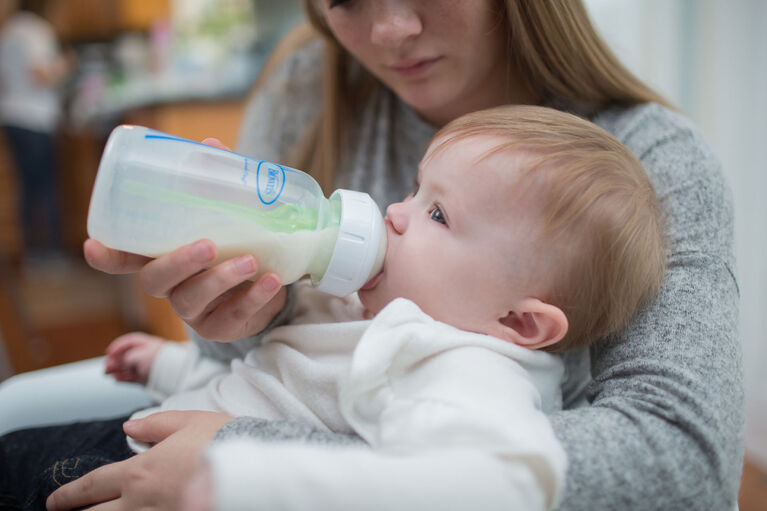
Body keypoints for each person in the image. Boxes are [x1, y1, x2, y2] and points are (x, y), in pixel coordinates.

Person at [2, 1, 743, 510]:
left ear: (520, 319)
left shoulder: (641, 170)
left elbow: (677, 467)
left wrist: (241, 459)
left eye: (436, 210)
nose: (393, 29)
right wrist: (220, 313)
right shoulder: (306, 90)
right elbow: (268, 365)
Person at [0, 0, 73, 261]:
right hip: (34, 119)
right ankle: (52, 254)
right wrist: (65, 65)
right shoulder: (35, 30)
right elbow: (39, 75)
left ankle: (32, 253)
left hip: (10, 116)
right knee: (46, 187)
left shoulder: (7, 31)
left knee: (27, 188)